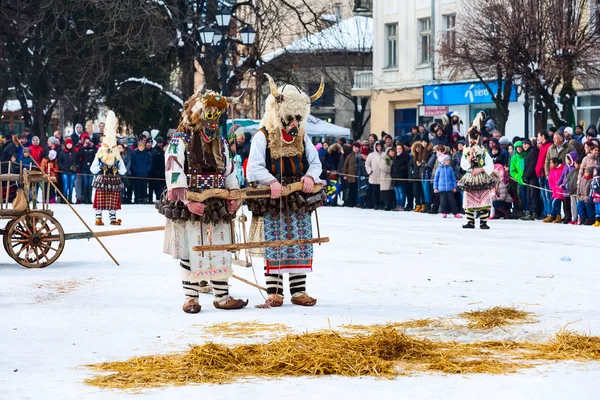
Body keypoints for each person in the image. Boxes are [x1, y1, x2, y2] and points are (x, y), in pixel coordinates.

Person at [159, 89, 247, 313]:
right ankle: (191, 298)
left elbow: (229, 171)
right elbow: (173, 171)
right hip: (192, 204)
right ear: (199, 117)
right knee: (191, 250)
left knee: (219, 248)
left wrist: (233, 196)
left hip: (217, 204)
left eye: (216, 118)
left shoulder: (221, 142)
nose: (213, 124)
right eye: (209, 117)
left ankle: (222, 296)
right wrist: (188, 201)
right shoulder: (181, 140)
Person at [246, 74, 324, 308]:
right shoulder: (263, 135)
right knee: (274, 242)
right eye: (290, 118)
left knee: (300, 242)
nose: (294, 124)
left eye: (297, 118)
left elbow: (315, 162)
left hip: (298, 198)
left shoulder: (303, 137)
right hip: (273, 198)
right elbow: (254, 167)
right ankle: (274, 292)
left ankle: (299, 291)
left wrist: (310, 176)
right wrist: (271, 181)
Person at [458, 111, 495, 229]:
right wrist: (469, 159)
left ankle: (483, 222)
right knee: (469, 198)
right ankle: (470, 221)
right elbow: (463, 165)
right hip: (470, 177)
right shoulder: (466, 151)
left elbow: (490, 165)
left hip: (481, 176)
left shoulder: (483, 151)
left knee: (484, 198)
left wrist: (480, 169)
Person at [90, 112, 127, 225]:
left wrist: (118, 170)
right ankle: (98, 218)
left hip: (114, 180)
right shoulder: (100, 154)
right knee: (100, 198)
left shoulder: (117, 155)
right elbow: (92, 168)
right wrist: (100, 167)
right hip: (102, 178)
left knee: (113, 199)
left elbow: (123, 170)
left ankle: (112, 219)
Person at [433, 153, 461, 218]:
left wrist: (454, 187)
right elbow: (436, 179)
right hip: (441, 189)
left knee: (452, 201)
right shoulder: (439, 169)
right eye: (447, 160)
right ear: (443, 161)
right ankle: (444, 212)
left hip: (449, 188)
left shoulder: (450, 169)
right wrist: (435, 188)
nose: (448, 161)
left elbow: (453, 178)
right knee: (443, 202)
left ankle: (455, 213)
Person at [557, 151, 578, 224]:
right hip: (564, 189)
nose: (567, 160)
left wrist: (566, 184)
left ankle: (571, 217)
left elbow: (570, 179)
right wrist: (559, 182)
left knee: (570, 204)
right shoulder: (566, 167)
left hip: (570, 188)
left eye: (568, 159)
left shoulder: (573, 168)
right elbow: (563, 175)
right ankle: (567, 216)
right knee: (566, 204)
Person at [522, 139, 540, 220]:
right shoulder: (528, 152)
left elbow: (532, 166)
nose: (524, 146)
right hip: (529, 177)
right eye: (523, 145)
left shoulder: (533, 152)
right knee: (529, 195)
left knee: (533, 195)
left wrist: (526, 176)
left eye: (526, 144)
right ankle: (530, 211)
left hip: (533, 177)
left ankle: (534, 212)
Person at [544, 157, 566, 223]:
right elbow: (550, 179)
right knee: (557, 203)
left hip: (561, 190)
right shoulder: (552, 170)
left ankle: (552, 215)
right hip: (555, 190)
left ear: (556, 163)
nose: (550, 164)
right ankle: (558, 216)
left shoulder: (562, 169)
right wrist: (552, 187)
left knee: (555, 202)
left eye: (551, 163)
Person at [536, 131, 553, 218]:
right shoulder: (542, 146)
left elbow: (545, 160)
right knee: (543, 195)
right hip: (540, 173)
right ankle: (545, 212)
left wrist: (543, 171)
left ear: (543, 136)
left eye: (538, 136)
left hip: (544, 173)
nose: (538, 138)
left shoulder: (548, 146)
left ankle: (549, 212)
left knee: (547, 195)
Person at [510, 141, 527, 217]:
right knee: (520, 196)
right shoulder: (514, 158)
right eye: (517, 147)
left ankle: (528, 210)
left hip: (528, 179)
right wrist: (518, 178)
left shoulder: (526, 155)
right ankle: (522, 210)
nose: (519, 149)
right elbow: (512, 171)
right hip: (520, 180)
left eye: (520, 147)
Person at [58, 139, 78, 203]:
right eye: (68, 144)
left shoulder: (75, 153)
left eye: (70, 144)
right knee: (66, 185)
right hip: (65, 172)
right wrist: (63, 168)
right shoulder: (62, 152)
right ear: (66, 145)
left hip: (73, 172)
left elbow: (78, 162)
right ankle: (64, 199)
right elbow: (59, 162)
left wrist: (76, 167)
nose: (69, 145)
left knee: (71, 186)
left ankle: (70, 199)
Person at [78, 137, 97, 204]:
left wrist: (93, 146)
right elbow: (79, 154)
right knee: (85, 183)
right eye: (86, 142)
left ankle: (90, 198)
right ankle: (85, 198)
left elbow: (97, 154)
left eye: (88, 142)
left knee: (90, 183)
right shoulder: (83, 148)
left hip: (91, 168)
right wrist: (83, 147)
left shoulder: (93, 148)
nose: (87, 144)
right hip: (84, 167)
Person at [391, 143, 409, 211]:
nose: (398, 150)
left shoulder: (406, 156)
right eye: (397, 149)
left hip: (402, 177)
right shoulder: (395, 157)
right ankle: (398, 205)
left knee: (401, 192)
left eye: (400, 149)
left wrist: (401, 169)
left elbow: (406, 166)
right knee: (397, 193)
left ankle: (402, 205)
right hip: (395, 177)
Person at [342, 142, 360, 208]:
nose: (355, 149)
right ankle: (350, 202)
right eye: (354, 147)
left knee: (357, 190)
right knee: (351, 189)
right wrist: (345, 174)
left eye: (357, 147)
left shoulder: (360, 155)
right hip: (351, 175)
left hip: (358, 175)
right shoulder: (349, 156)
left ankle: (356, 202)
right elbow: (345, 166)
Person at [366, 141, 383, 210]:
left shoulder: (384, 155)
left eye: (380, 146)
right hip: (373, 176)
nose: (379, 148)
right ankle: (375, 204)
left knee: (382, 192)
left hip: (382, 176)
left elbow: (388, 162)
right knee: (375, 191)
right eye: (378, 146)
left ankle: (381, 204)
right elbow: (367, 164)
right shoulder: (371, 155)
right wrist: (370, 171)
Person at [149, 137, 166, 202]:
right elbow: (154, 161)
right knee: (154, 187)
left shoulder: (162, 150)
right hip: (155, 172)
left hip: (161, 172)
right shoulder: (155, 151)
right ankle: (151, 199)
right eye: (159, 143)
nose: (161, 144)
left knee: (160, 188)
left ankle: (160, 199)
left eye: (161, 143)